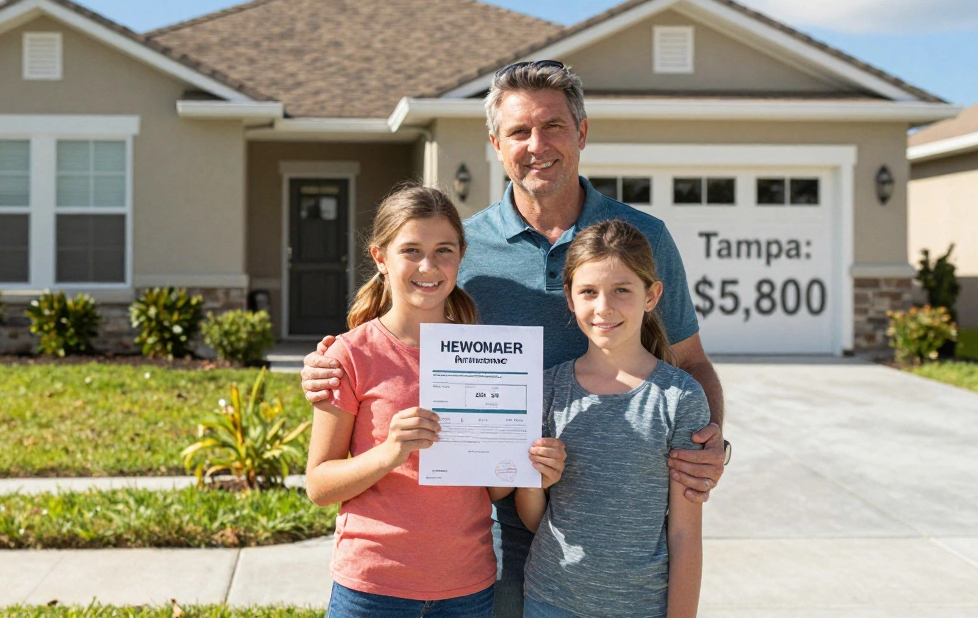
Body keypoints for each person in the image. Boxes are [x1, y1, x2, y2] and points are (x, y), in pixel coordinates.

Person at [302, 61, 728, 617]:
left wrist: (710, 444)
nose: (537, 144)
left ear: (582, 133)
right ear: (495, 144)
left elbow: (690, 360)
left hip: (615, 537)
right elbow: (396, 332)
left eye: (553, 126)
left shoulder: (642, 238)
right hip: (493, 522)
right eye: (519, 131)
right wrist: (327, 363)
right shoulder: (461, 246)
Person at [305, 184, 567, 618]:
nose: (428, 266)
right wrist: (390, 452)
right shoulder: (349, 355)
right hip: (372, 589)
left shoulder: (489, 357)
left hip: (468, 589)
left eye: (443, 250)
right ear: (380, 258)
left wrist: (527, 463)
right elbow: (319, 485)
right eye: (410, 250)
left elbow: (491, 488)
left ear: (461, 257)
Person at [516, 219, 707, 618]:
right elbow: (535, 519)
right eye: (589, 292)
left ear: (652, 295)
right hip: (550, 600)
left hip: (641, 605)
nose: (604, 308)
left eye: (622, 290)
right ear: (570, 299)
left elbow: (686, 534)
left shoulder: (680, 397)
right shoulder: (547, 389)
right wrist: (534, 484)